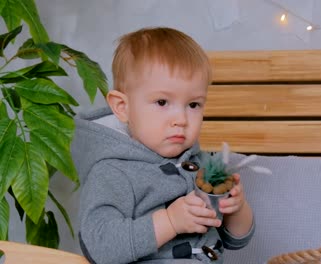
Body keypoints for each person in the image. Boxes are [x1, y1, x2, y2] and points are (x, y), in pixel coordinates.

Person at [71, 27, 254, 264]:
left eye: (193, 105)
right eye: (162, 102)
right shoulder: (113, 171)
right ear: (122, 107)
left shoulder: (203, 163)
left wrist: (236, 209)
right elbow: (100, 245)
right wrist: (170, 221)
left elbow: (236, 240)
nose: (181, 119)